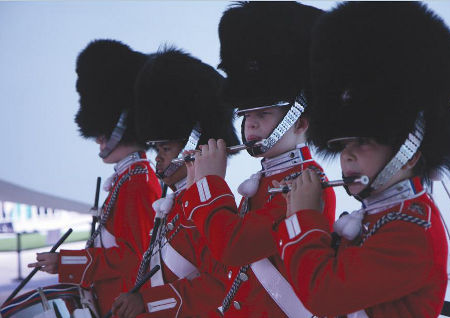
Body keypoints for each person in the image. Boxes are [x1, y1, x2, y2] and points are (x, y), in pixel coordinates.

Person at [273, 2, 450, 317]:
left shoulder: (411, 232)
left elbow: (325, 294)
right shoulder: (384, 216)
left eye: (363, 142)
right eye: (343, 143)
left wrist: (304, 217)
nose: (346, 154)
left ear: (409, 155)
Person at [181, 2, 336, 317]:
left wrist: (210, 182)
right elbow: (213, 256)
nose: (250, 124)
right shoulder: (266, 180)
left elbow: (234, 247)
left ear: (300, 122)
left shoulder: (305, 182)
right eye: (246, 114)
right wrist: (196, 183)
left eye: (263, 114)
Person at [28, 39, 162, 317]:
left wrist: (67, 261)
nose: (99, 138)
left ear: (124, 126)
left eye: (104, 130)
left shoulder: (138, 181)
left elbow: (133, 258)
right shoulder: (127, 177)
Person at [110, 48, 240, 318]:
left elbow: (219, 287)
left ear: (192, 147)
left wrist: (148, 303)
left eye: (166, 149)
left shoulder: (205, 208)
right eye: (157, 149)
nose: (157, 158)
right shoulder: (177, 205)